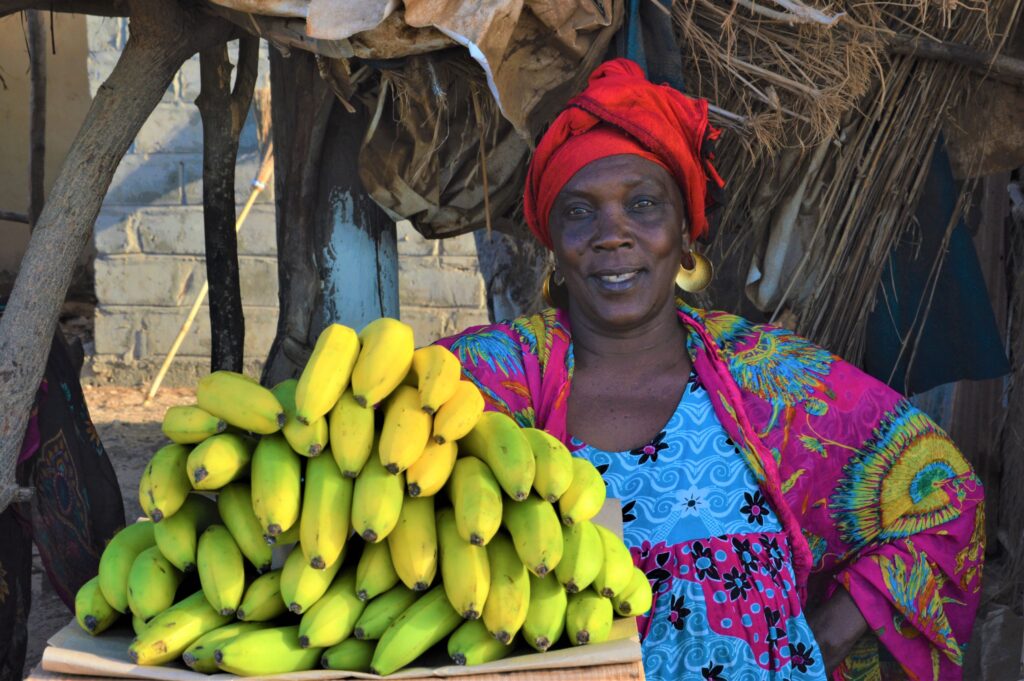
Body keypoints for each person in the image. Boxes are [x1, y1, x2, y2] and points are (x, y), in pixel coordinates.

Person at [437, 59, 984, 680]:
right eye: (580, 211)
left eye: (643, 205)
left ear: (684, 232)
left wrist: (823, 637)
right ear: (553, 243)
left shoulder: (770, 378)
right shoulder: (490, 378)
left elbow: (943, 492)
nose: (612, 234)